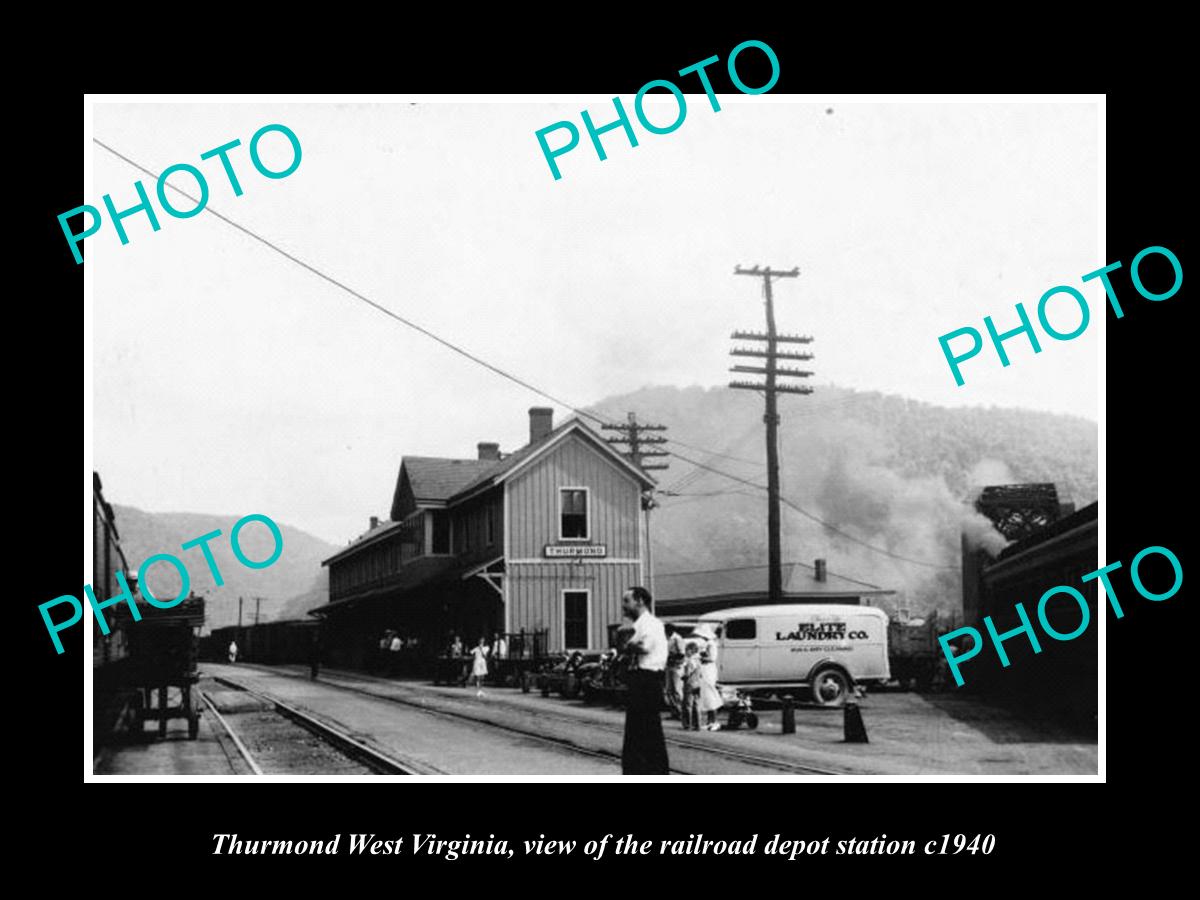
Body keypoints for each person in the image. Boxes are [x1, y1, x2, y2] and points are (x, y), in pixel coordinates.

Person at [619, 586, 670, 774]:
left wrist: (628, 645)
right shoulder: (639, 625)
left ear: (640, 601)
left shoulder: (651, 624)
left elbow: (645, 647)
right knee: (636, 733)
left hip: (647, 681)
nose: (624, 606)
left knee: (647, 732)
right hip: (640, 681)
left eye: (627, 601)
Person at [666, 627, 687, 717]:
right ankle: (674, 711)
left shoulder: (677, 639)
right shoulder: (668, 639)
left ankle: (682, 711)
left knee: (677, 690)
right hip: (669, 665)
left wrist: (672, 657)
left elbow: (682, 654)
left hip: (676, 666)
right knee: (669, 690)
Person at [681, 642, 701, 730]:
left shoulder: (690, 661)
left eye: (687, 650)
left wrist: (683, 677)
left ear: (691, 651)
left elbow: (687, 674)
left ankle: (688, 724)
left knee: (688, 705)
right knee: (696, 704)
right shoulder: (698, 660)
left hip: (689, 684)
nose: (685, 652)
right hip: (697, 684)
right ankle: (697, 725)